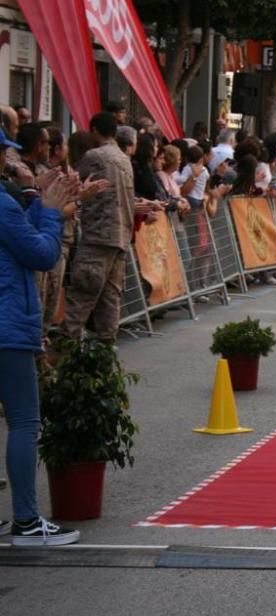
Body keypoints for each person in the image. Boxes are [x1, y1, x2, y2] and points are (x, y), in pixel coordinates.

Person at [1, 162, 82, 545]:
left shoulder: (6, 205)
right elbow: (42, 253)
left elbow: (16, 234)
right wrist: (51, 212)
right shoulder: (2, 204)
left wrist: (41, 199)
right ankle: (27, 521)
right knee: (24, 422)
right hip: (7, 326)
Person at [57, 113, 137, 343]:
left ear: (94, 130)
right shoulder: (124, 159)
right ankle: (105, 354)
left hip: (97, 237)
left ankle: (63, 351)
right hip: (119, 236)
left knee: (81, 298)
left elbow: (74, 184)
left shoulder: (95, 156)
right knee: (110, 300)